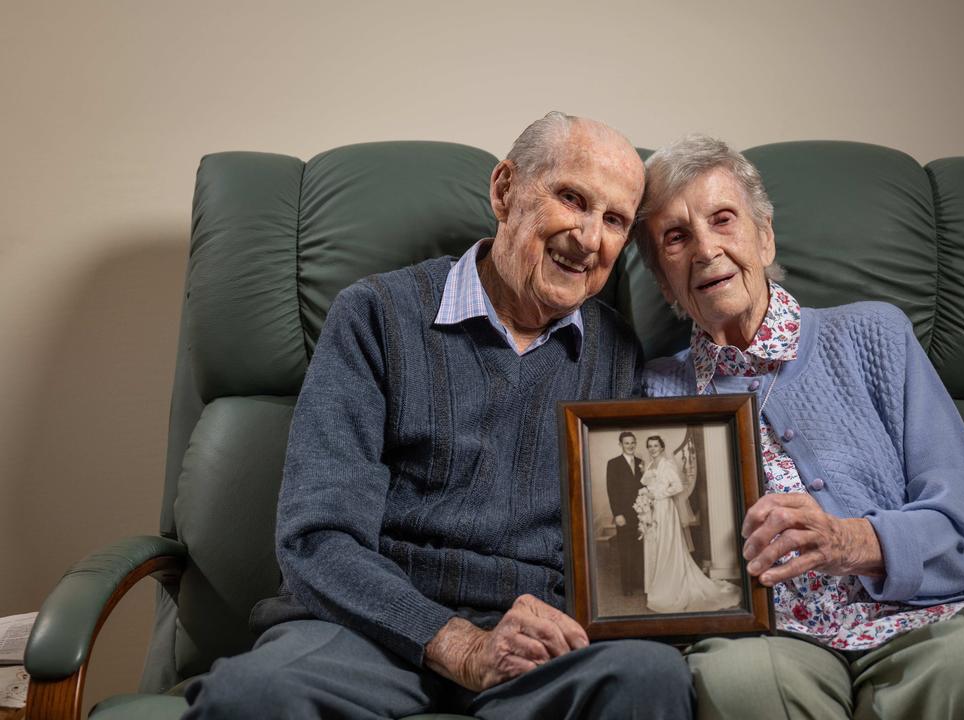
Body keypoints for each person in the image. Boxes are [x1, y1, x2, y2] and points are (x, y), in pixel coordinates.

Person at [181, 113, 694, 720]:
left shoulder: (616, 355)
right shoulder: (374, 316)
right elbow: (317, 538)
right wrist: (456, 643)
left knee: (648, 677)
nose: (588, 238)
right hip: (368, 629)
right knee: (251, 697)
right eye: (571, 198)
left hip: (535, 642)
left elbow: (628, 543)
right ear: (505, 191)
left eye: (613, 221)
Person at [635, 135, 964, 719]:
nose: (706, 249)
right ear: (663, 279)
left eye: (723, 220)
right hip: (768, 640)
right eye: (676, 237)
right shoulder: (652, 390)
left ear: (763, 237)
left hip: (922, 620)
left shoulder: (873, 336)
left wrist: (850, 543)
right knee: (742, 680)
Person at [639, 435, 740, 613]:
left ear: (662, 448)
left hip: (664, 509)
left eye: (656, 445)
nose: (653, 449)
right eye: (650, 446)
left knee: (667, 546)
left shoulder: (667, 464)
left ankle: (671, 586)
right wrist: (646, 499)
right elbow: (649, 486)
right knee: (656, 546)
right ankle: (658, 584)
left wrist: (656, 495)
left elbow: (678, 486)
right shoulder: (649, 465)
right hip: (653, 509)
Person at [605, 431, 645, 596]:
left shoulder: (641, 462)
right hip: (624, 513)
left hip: (642, 511)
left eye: (632, 442)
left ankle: (638, 582)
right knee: (625, 550)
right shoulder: (613, 463)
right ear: (620, 444)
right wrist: (618, 514)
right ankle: (626, 586)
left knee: (639, 548)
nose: (630, 445)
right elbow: (611, 490)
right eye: (626, 443)